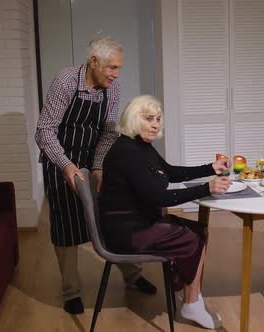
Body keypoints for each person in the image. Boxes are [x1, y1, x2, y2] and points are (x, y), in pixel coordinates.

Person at [35, 37, 155, 315]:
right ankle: (71, 291)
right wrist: (65, 165)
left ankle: (133, 276)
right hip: (59, 157)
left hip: (92, 156)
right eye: (111, 67)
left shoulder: (112, 89)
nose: (116, 74)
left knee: (112, 214)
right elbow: (44, 130)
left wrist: (99, 166)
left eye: (119, 68)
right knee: (66, 223)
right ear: (94, 62)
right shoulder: (66, 81)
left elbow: (108, 133)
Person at [98, 95, 232, 329]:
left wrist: (209, 168)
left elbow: (170, 172)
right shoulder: (127, 152)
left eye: (158, 119)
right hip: (126, 231)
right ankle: (191, 303)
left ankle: (193, 299)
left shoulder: (140, 147)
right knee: (191, 237)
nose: (155, 124)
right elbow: (158, 197)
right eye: (148, 118)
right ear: (133, 119)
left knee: (199, 230)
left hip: (137, 222)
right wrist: (206, 188)